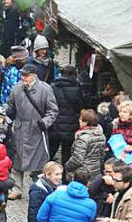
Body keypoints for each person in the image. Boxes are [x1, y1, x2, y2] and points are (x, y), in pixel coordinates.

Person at [6, 64, 59, 196]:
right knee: (17, 162)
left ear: (33, 76)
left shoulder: (45, 89)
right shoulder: (17, 88)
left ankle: (39, 189)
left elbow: (53, 110)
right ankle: (17, 189)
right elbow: (10, 103)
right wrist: (8, 111)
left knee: (39, 164)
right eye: (22, 75)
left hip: (37, 130)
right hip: (20, 130)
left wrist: (45, 122)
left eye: (26, 75)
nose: (22, 77)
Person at [49, 65, 84, 162]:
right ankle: (64, 175)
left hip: (54, 123)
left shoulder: (53, 87)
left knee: (51, 150)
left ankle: (47, 173)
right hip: (70, 124)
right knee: (66, 153)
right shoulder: (77, 87)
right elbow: (80, 106)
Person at [64, 110, 106, 184]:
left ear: (86, 122)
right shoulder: (101, 135)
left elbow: (77, 159)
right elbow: (102, 156)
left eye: (81, 119)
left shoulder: (82, 138)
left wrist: (67, 166)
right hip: (96, 171)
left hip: (82, 173)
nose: (79, 121)